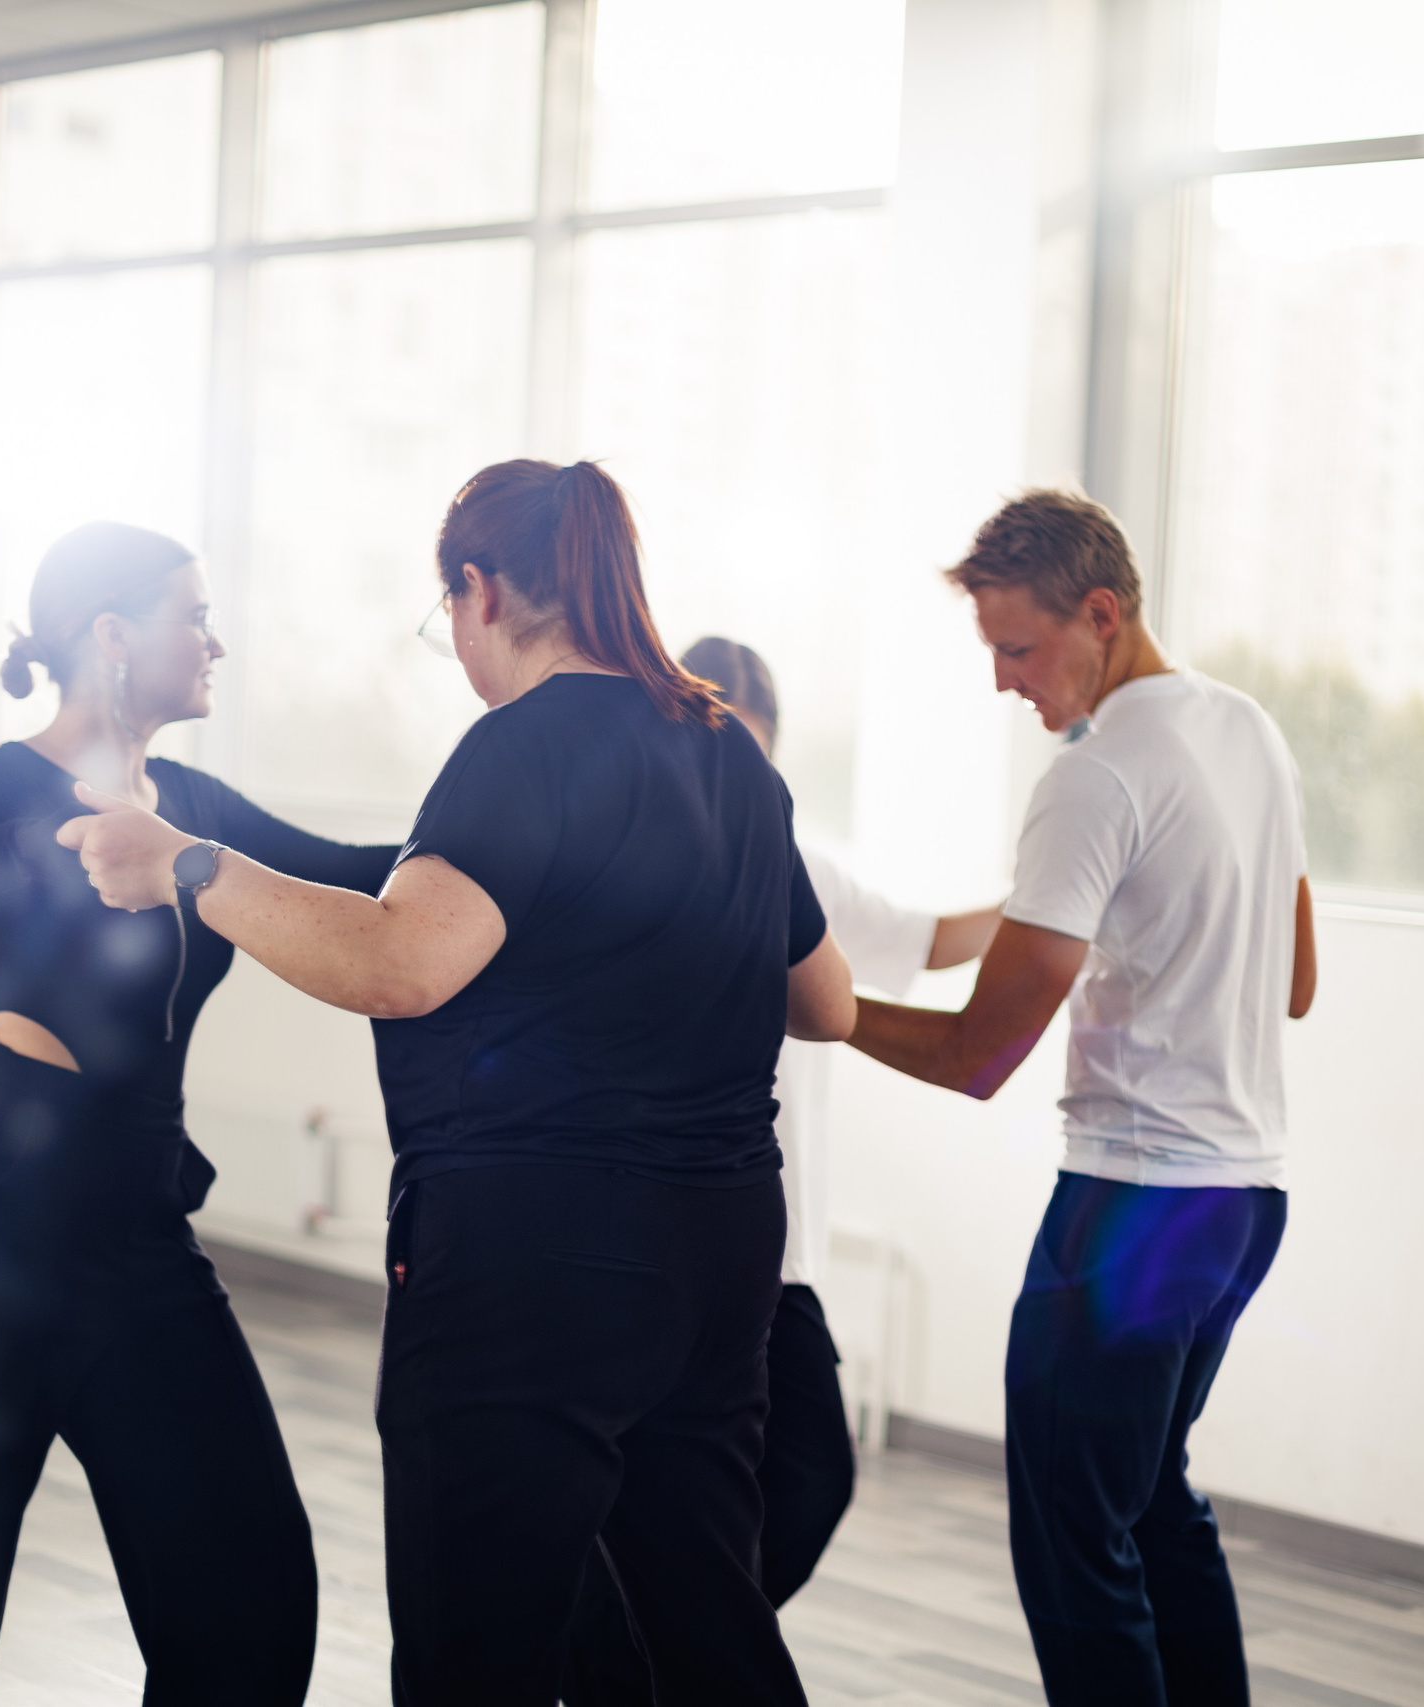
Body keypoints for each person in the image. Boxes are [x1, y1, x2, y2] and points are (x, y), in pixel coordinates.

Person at [63, 460, 855, 1707]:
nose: (462, 653)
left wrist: (189, 865)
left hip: (531, 1264)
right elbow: (828, 1004)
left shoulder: (519, 747)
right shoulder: (728, 756)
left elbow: (401, 965)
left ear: (480, 589)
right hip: (717, 1257)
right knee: (705, 1618)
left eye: (451, 621)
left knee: (474, 1647)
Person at [0, 522, 397, 1707]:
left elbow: (357, 870)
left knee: (249, 1602)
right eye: (193, 617)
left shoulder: (192, 806)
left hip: (136, 1232)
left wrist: (519, 842)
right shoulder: (0, 783)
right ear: (112, 635)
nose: (217, 643)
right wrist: (42, 837)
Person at [846, 490, 1315, 1707]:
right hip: (1242, 1203)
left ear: (1099, 615)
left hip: (1134, 1205)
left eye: (1017, 648)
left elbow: (975, 1057)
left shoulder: (1096, 776)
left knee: (1072, 1541)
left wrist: (813, 1007)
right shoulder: (1248, 730)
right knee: (1152, 1500)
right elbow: (1297, 981)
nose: (1004, 683)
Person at [558, 637, 1003, 1706]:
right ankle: (644, 1661)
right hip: (650, 1233)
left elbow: (927, 942)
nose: (733, 784)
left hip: (770, 1243)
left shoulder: (786, 852)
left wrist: (1056, 903)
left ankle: (643, 1659)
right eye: (719, 753)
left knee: (803, 1477)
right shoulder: (619, 855)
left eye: (755, 762)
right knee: (665, 1483)